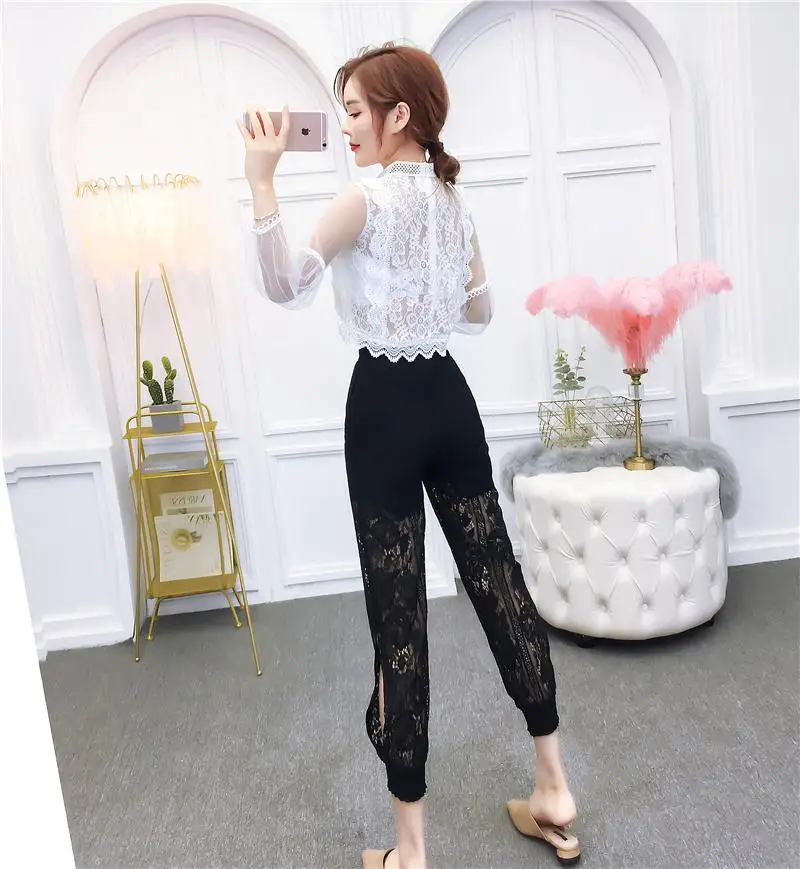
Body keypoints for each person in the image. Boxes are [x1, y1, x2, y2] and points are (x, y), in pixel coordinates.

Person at [238, 43, 579, 869]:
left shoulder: (363, 200)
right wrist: (428, 283)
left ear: (400, 115)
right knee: (499, 582)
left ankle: (411, 848)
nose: (348, 127)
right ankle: (555, 789)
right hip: (450, 402)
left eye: (356, 111)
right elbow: (479, 313)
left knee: (398, 616)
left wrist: (261, 182)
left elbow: (286, 285)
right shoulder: (454, 200)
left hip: (384, 411)